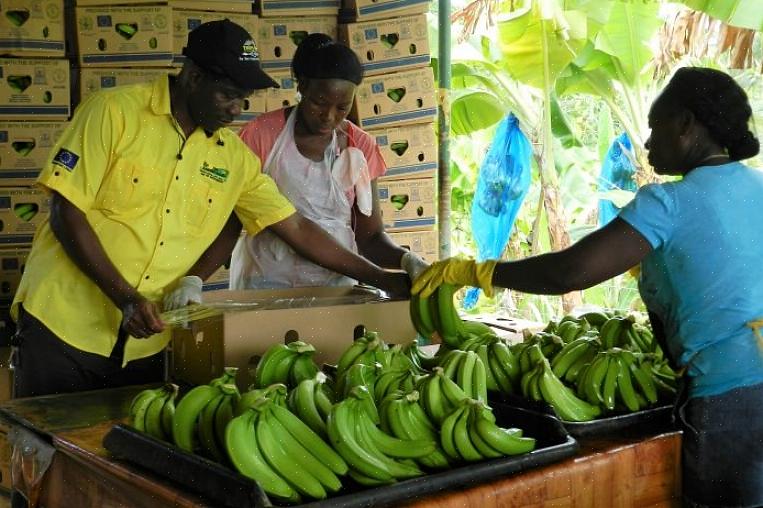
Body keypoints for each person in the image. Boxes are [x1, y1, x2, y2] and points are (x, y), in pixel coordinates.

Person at [412, 67, 763, 508]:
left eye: (656, 129)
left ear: (687, 124)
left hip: (732, 394)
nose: (649, 143)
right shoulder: (758, 185)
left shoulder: (668, 202)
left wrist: (478, 273)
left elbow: (570, 273)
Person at [10, 20, 409, 398]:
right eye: (228, 95)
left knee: (119, 455)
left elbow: (297, 228)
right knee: (45, 455)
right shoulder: (113, 113)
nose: (237, 109)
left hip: (147, 338)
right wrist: (126, 297)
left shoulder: (232, 158)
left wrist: (384, 277)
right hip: (62, 326)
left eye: (243, 99)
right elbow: (67, 211)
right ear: (194, 77)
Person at [203, 33, 428, 290]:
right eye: (319, 103)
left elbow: (371, 238)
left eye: (342, 107)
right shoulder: (262, 135)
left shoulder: (360, 146)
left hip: (336, 287)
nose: (329, 116)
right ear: (302, 87)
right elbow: (233, 221)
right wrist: (194, 278)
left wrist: (406, 259)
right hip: (267, 283)